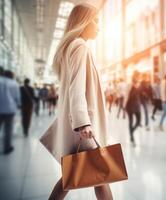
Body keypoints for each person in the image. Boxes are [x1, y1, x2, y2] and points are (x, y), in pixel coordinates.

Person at [42, 3, 113, 199]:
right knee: (99, 176)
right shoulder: (80, 46)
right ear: (84, 22)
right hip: (84, 126)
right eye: (96, 21)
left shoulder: (71, 47)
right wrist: (83, 122)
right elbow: (77, 87)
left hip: (80, 123)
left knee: (73, 178)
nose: (99, 26)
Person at [0, 68, 20, 154]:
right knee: (8, 129)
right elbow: (17, 97)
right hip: (10, 110)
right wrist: (19, 105)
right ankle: (7, 148)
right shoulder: (14, 83)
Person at [124, 71, 141, 146]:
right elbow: (126, 95)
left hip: (137, 105)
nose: (138, 77)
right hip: (130, 106)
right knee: (130, 121)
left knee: (138, 121)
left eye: (138, 76)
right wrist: (124, 106)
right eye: (137, 76)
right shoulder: (129, 85)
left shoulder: (138, 84)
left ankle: (132, 131)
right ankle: (132, 137)